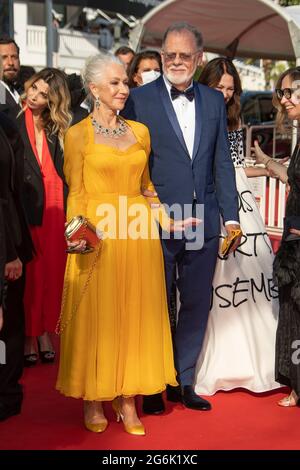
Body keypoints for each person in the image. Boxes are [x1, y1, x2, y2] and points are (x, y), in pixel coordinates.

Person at [56, 53, 199, 435]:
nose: (124, 89)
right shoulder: (76, 135)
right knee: (99, 317)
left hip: (138, 236)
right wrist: (78, 238)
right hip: (99, 236)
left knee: (134, 315)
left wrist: (170, 220)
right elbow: (76, 193)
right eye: (116, 83)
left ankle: (127, 399)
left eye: (125, 82)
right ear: (95, 90)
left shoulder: (140, 131)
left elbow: (147, 189)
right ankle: (93, 397)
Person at [122, 22, 241, 414]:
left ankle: (184, 380)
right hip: (156, 217)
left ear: (198, 58)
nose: (175, 61)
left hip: (202, 219)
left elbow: (221, 163)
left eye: (183, 55)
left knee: (194, 302)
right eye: (169, 54)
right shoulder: (138, 99)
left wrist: (231, 217)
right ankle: (154, 383)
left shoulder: (211, 100)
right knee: (155, 303)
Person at [193, 57, 280, 395]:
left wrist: (270, 167)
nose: (226, 95)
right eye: (220, 88)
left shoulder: (233, 117)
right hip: (211, 201)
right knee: (219, 280)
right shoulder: (196, 115)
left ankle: (260, 360)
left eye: (231, 89)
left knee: (253, 277)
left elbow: (238, 167)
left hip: (241, 204)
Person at [16, 68, 71, 366]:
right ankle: (29, 334)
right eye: (33, 89)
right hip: (29, 202)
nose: (34, 97)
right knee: (31, 272)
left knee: (51, 271)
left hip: (56, 201)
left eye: (43, 94)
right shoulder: (12, 118)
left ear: (54, 100)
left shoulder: (58, 126)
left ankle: (45, 332)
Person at [253, 66, 300, 407]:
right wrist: (268, 161)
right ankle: (297, 386)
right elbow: (294, 180)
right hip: (293, 236)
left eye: (290, 92)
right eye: (281, 93)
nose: (284, 100)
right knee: (292, 311)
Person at [0, 55, 33, 421]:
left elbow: (11, 193)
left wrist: (12, 251)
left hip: (7, 239)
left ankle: (8, 392)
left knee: (7, 326)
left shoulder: (7, 126)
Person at [0, 37, 22, 117]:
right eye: (4, 57)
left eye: (14, 57)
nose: (10, 63)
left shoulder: (22, 91)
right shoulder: (1, 91)